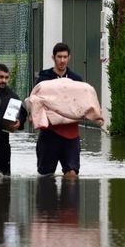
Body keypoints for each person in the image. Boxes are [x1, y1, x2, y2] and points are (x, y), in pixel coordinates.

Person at [34, 42, 83, 178]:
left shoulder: (76, 80)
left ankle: (69, 199)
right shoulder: (43, 79)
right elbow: (34, 101)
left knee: (72, 174)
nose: (62, 60)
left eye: (65, 57)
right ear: (53, 57)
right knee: (46, 176)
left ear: (69, 58)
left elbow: (83, 102)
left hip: (71, 134)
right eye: (59, 57)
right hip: (49, 133)